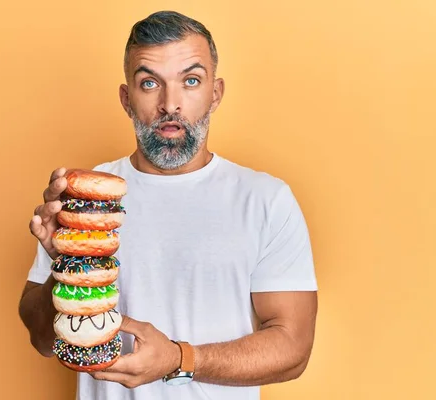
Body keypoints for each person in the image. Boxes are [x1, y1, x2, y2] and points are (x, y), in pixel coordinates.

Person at [18, 10, 318, 400]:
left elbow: (293, 349)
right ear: (126, 99)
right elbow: (43, 339)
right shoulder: (86, 201)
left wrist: (180, 358)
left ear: (216, 93)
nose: (169, 104)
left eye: (190, 81)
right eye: (149, 83)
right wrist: (65, 263)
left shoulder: (265, 200)